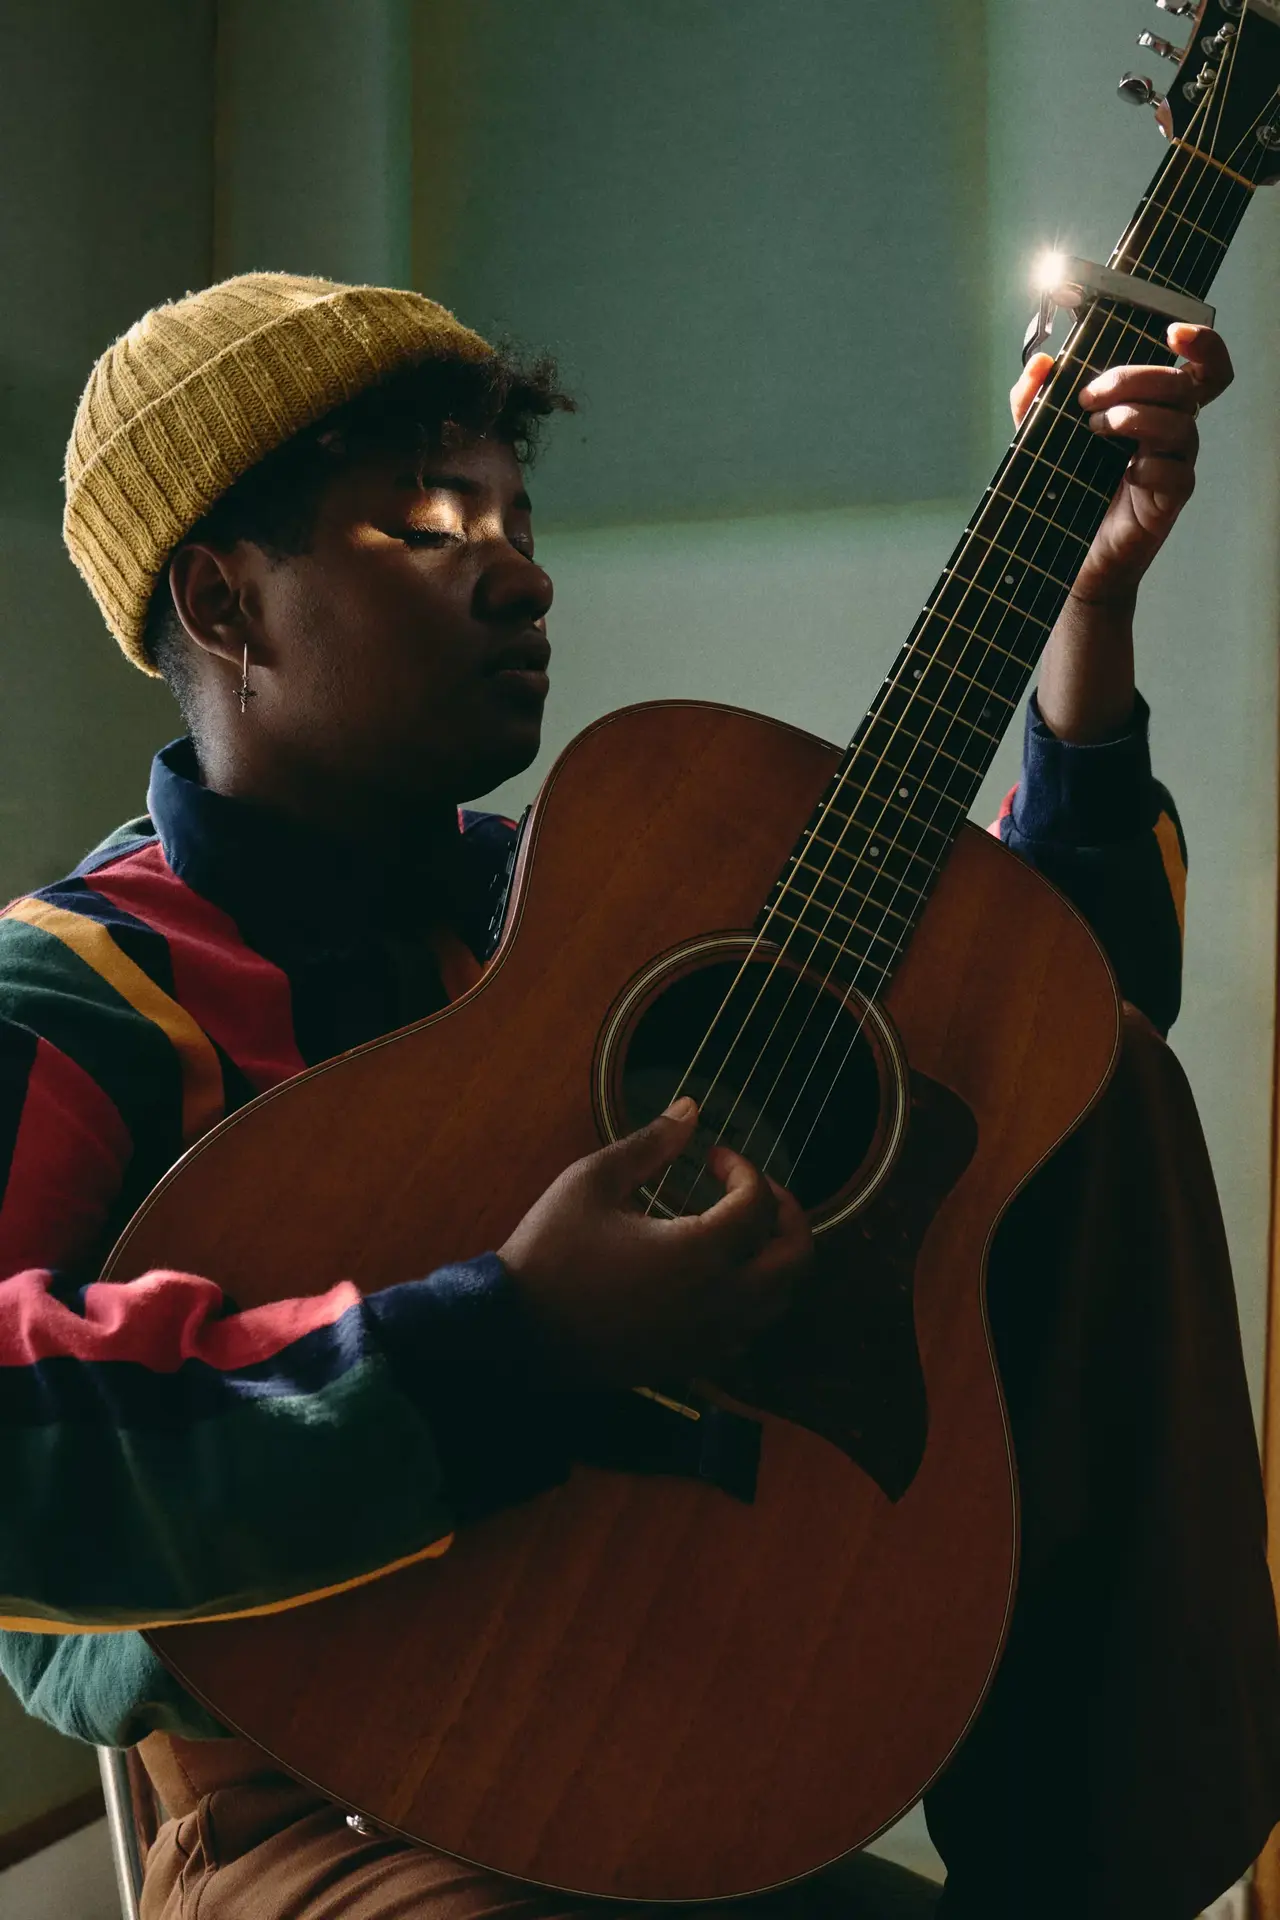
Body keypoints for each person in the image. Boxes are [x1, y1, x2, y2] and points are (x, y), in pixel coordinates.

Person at [0, 273, 1275, 1920]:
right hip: (321, 1816)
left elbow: (1036, 1053)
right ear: (228, 604)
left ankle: (1097, 1870)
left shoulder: (577, 893)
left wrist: (1088, 616)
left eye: (519, 521)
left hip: (686, 1738)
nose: (519, 574)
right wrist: (513, 1336)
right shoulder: (81, 984)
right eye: (433, 529)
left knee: (1123, 1102)